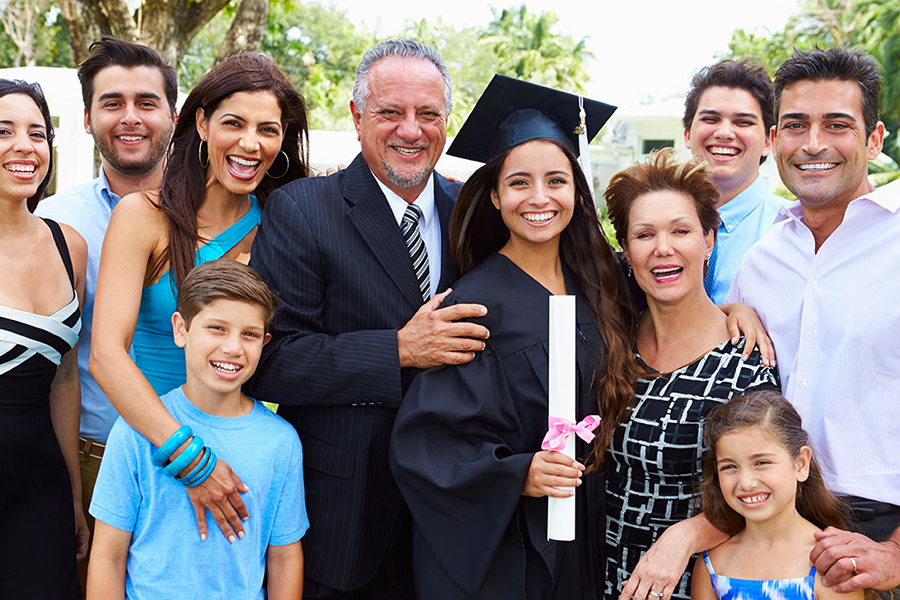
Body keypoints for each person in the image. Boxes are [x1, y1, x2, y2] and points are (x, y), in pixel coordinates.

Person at [247, 39, 490, 598]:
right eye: (390, 112)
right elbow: (272, 360)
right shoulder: (303, 210)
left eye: (428, 114)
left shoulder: (473, 215)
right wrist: (398, 350)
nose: (411, 130)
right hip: (346, 517)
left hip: (453, 514)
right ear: (358, 117)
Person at [389, 74, 630, 599]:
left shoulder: (605, 284)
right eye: (519, 182)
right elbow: (426, 445)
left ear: (575, 189)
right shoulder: (471, 306)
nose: (539, 197)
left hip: (597, 529)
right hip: (517, 547)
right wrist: (517, 473)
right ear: (495, 196)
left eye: (556, 180)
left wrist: (733, 310)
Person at [90, 53, 309, 543]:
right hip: (151, 449)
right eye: (234, 123)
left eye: (268, 130)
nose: (250, 144)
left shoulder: (284, 225)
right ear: (203, 123)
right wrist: (191, 461)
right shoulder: (144, 216)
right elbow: (107, 355)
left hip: (244, 460)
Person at [727, 47, 900, 595]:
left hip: (882, 531)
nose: (814, 143)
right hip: (773, 524)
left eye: (837, 125)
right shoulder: (761, 260)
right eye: (796, 125)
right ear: (774, 141)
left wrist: (897, 554)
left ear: (874, 140)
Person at [601, 148, 779, 600]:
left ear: (709, 241)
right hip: (599, 575)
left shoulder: (743, 362)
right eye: (644, 234)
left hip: (695, 582)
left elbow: (762, 489)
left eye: (681, 230)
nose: (663, 248)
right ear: (625, 250)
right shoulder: (609, 343)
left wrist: (683, 537)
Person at [35, 37, 177, 590]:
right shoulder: (53, 220)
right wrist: (69, 484)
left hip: (200, 453)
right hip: (92, 460)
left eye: (146, 102)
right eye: (111, 103)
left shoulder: (213, 213)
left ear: (174, 113)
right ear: (89, 118)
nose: (130, 117)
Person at [87, 259, 307, 599]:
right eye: (217, 328)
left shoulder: (281, 442)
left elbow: (284, 557)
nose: (233, 348)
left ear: (264, 342)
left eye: (248, 334)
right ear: (181, 330)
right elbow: (108, 556)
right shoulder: (133, 432)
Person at [0, 79, 88, 598]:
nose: (25, 147)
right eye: (3, 131)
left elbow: (65, 379)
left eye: (38, 133)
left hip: (41, 487)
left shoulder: (67, 245)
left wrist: (73, 496)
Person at [691, 390, 860, 600]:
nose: (746, 482)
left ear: (801, 464)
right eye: (729, 466)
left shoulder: (831, 563)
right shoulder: (712, 565)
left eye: (761, 463)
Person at [682, 59, 786, 304]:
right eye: (710, 119)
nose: (725, 133)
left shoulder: (790, 231)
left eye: (743, 122)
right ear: (687, 134)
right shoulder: (657, 228)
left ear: (769, 142)